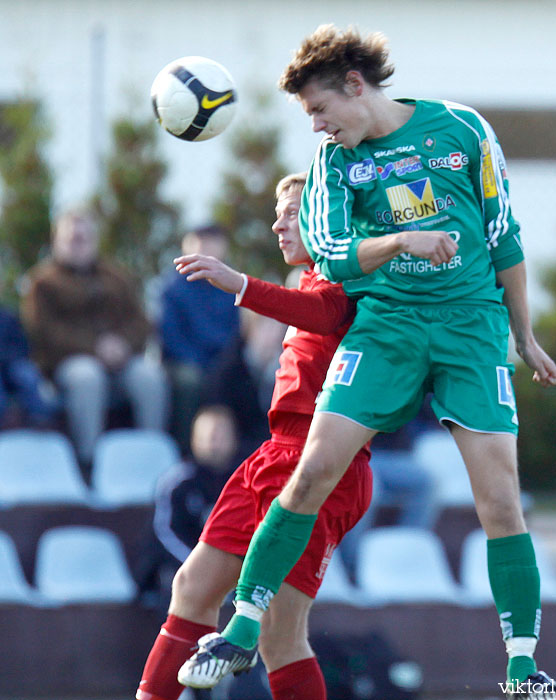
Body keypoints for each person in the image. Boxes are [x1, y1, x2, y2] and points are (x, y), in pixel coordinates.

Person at [180, 25, 556, 700]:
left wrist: (525, 333)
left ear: (354, 85)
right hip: (387, 328)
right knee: (312, 472)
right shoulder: (334, 165)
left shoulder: (463, 129)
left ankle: (523, 669)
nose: (317, 126)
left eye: (318, 109)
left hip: (472, 327)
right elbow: (329, 255)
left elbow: (504, 233)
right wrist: (405, 241)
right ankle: (240, 633)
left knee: (502, 502)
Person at [135, 173, 372, 700]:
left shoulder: (351, 281)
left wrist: (238, 284)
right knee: (192, 589)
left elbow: (327, 312)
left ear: (329, 217)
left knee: (281, 637)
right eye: (277, 211)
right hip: (274, 456)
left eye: (291, 212)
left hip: (321, 466)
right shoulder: (307, 281)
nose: (277, 224)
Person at [21, 210, 169, 467]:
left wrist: (122, 345)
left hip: (122, 362)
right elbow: (43, 331)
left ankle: (151, 458)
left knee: (149, 377)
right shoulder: (42, 283)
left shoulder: (117, 278)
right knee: (87, 377)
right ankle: (89, 462)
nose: (79, 243)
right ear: (57, 241)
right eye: (72, 239)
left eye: (84, 238)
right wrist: (94, 348)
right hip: (66, 365)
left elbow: (141, 322)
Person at [133, 404, 244, 612]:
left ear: (233, 438)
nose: (214, 443)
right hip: (180, 568)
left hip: (230, 572)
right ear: (194, 439)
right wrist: (201, 567)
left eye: (220, 436)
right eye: (207, 436)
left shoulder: (244, 481)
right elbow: (165, 534)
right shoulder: (178, 482)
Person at [159, 226, 243, 453]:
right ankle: (186, 450)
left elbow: (237, 334)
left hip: (224, 362)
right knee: (190, 382)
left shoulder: (232, 285)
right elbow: (171, 338)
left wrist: (222, 363)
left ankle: (242, 449)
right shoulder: (173, 289)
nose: (204, 249)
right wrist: (203, 364)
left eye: (211, 242)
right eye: (199, 242)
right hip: (185, 364)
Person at [0, 304, 58, 428]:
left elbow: (23, 348)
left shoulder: (8, 317)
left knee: (26, 373)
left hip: (10, 364)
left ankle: (42, 420)